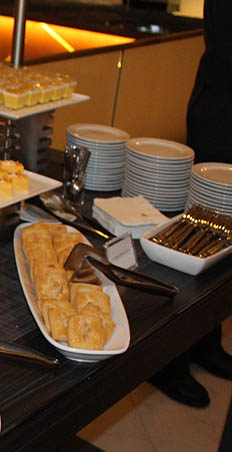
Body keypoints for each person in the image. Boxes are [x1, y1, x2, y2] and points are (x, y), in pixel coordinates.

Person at [149, 0, 232, 408]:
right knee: (197, 230)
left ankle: (205, 338)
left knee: (222, 239)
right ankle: (170, 356)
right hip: (223, 99)